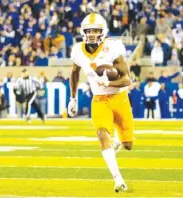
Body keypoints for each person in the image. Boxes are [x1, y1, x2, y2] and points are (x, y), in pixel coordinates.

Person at [68, 13, 132, 192]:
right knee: (102, 134)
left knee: (128, 145)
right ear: (83, 32)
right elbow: (74, 72)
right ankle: (118, 179)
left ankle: (120, 139)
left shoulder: (113, 47)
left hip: (120, 98)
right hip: (99, 100)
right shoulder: (77, 50)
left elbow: (127, 79)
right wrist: (72, 98)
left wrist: (109, 82)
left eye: (96, 30)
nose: (92, 34)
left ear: (103, 32)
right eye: (89, 31)